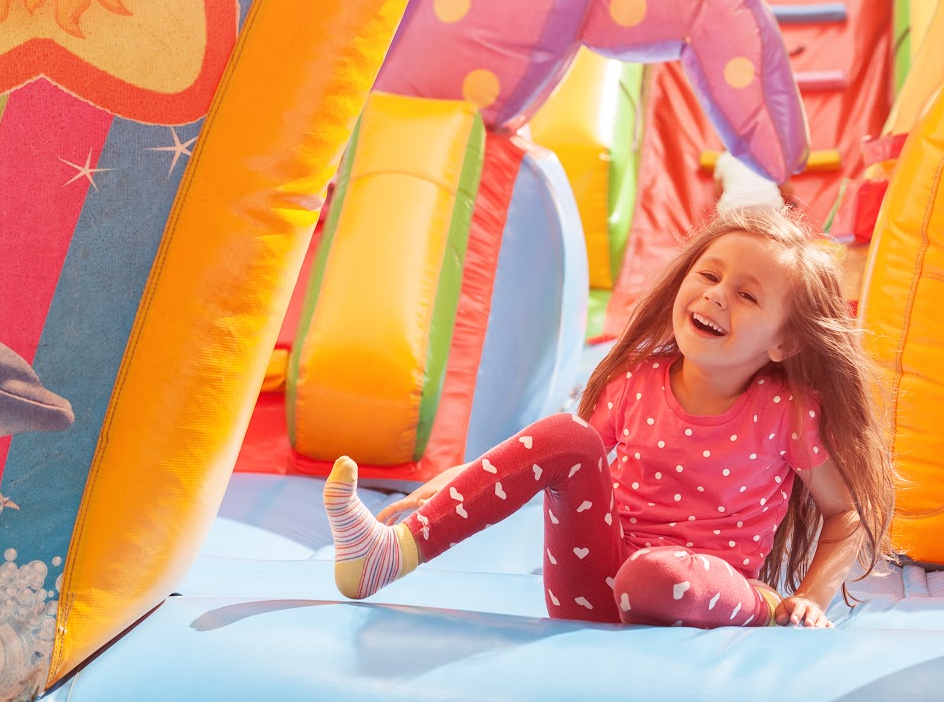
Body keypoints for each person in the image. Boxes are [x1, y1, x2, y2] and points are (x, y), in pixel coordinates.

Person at [323, 206, 895, 628]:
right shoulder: (634, 384)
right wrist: (454, 487)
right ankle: (388, 553)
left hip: (706, 591)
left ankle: (761, 608)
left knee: (658, 577)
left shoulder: (785, 412)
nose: (718, 296)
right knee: (571, 437)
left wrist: (810, 598)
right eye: (710, 275)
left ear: (785, 342)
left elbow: (844, 512)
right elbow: (553, 455)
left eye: (748, 296)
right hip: (594, 589)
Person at [714, 150, 797, 216]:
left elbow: (718, 193)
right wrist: (788, 202)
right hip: (770, 207)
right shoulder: (772, 156)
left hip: (731, 209)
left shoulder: (724, 158)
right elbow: (787, 191)